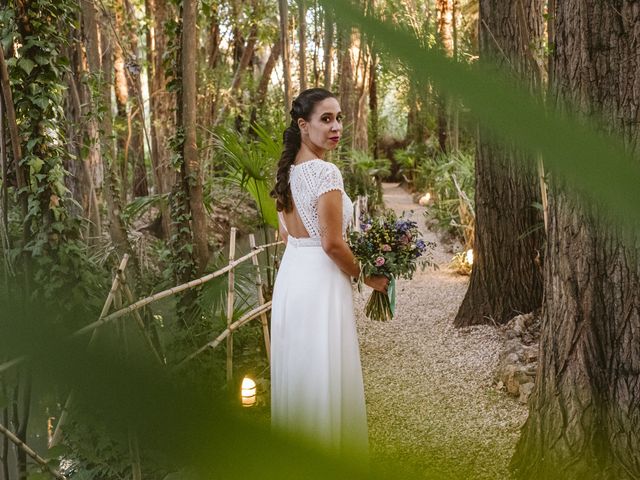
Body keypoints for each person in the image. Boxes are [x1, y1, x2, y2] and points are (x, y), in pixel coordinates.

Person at [269, 88, 388, 458]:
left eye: (338, 119)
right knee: (323, 370)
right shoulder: (324, 172)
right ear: (304, 126)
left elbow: (286, 233)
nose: (336, 127)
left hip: (292, 279)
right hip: (320, 280)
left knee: (302, 373)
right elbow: (332, 244)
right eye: (326, 119)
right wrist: (369, 276)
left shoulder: (288, 172)